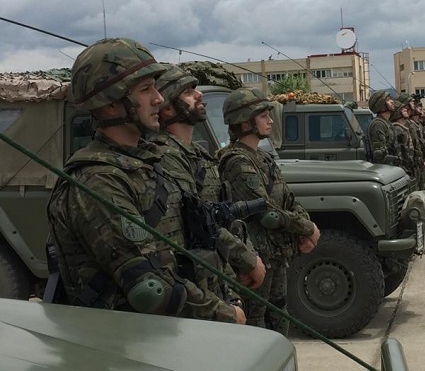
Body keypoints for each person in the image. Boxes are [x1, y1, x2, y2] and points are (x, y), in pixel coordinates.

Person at [47, 38, 242, 323]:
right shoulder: (97, 180)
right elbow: (149, 289)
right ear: (112, 104)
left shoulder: (149, 163)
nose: (159, 99)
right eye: (145, 89)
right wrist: (223, 313)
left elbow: (192, 245)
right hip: (126, 346)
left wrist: (228, 293)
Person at [151, 64, 266, 291]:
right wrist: (248, 260)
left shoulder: (197, 153)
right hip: (198, 281)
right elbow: (198, 221)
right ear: (167, 109)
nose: (199, 94)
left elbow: (223, 212)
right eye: (187, 92)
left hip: (218, 272)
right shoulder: (165, 156)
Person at [217, 87, 320, 336]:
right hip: (257, 258)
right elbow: (267, 213)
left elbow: (287, 199)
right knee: (257, 325)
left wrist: (307, 225)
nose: (271, 120)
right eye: (264, 116)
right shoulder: (237, 162)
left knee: (279, 318)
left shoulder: (262, 157)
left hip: (275, 257)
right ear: (244, 122)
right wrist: (307, 228)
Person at [366, 90, 400, 165]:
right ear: (381, 105)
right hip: (386, 169)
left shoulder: (387, 123)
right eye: (388, 100)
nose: (392, 101)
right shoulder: (378, 124)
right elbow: (379, 154)